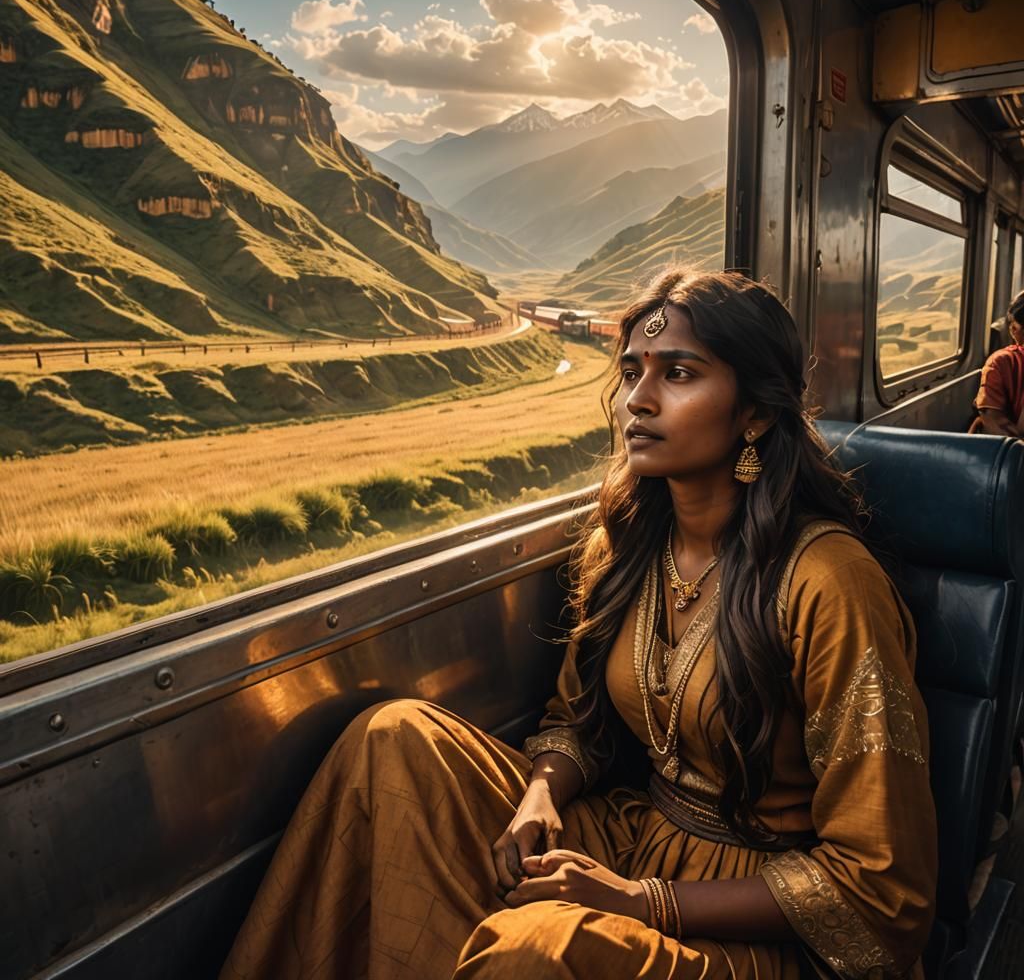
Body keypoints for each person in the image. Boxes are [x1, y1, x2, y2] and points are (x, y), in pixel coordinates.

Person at [219, 270, 937, 980]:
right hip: (628, 835)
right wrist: (542, 792)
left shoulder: (830, 585)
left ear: (753, 413)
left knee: (537, 953)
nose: (637, 403)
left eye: (678, 374)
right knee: (392, 742)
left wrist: (640, 902)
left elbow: (879, 885)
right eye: (630, 373)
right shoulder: (627, 544)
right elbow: (577, 721)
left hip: (755, 913)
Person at [972, 291, 1024, 437]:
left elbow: (993, 422)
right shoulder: (1003, 362)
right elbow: (993, 421)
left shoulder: (1001, 362)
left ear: (1014, 329)